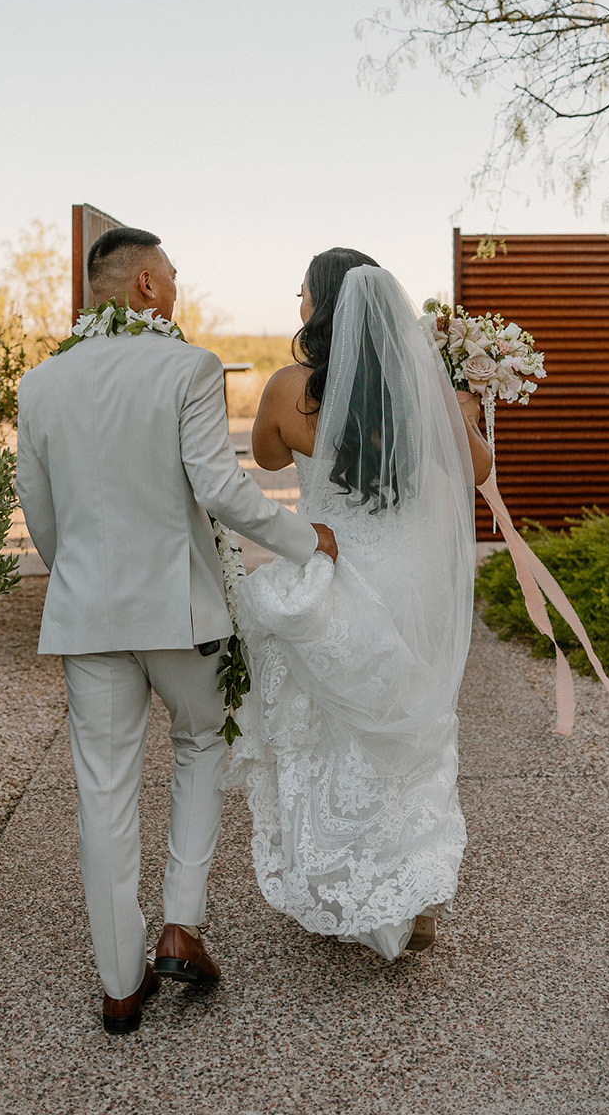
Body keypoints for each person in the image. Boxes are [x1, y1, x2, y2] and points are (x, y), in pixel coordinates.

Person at [16, 226, 337, 1033]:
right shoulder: (187, 367)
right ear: (147, 287)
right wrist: (307, 540)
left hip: (86, 616)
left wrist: (84, 582)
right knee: (201, 742)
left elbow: (42, 515)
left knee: (102, 792)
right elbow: (220, 488)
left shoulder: (42, 384)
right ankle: (179, 925)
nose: (179, 288)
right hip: (180, 614)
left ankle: (120, 984)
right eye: (174, 275)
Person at [230, 248, 491, 960]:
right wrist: (459, 412)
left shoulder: (289, 387)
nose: (298, 304)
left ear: (323, 307)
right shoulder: (418, 387)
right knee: (413, 727)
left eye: (303, 294)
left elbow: (268, 460)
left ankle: (342, 884)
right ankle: (418, 894)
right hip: (406, 575)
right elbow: (473, 469)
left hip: (335, 566)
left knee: (328, 730)